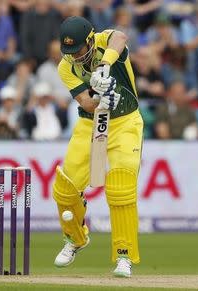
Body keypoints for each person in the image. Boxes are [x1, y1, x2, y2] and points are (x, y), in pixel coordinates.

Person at [53, 16, 143, 277]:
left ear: (90, 40)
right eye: (69, 51)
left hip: (125, 123)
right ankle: (75, 238)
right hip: (89, 125)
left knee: (121, 186)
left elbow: (122, 37)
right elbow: (85, 103)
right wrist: (101, 98)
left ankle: (123, 256)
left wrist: (104, 67)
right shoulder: (65, 67)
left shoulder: (105, 40)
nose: (75, 56)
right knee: (65, 188)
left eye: (79, 49)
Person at [20, 0, 61, 65]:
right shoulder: (28, 16)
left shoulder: (53, 16)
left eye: (45, 3)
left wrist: (52, 55)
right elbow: (25, 38)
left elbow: (56, 37)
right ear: (36, 3)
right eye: (40, 3)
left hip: (50, 57)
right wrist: (28, 57)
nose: (43, 6)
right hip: (32, 57)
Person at [36, 40, 72, 107]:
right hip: (53, 103)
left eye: (59, 52)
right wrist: (57, 100)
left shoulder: (72, 66)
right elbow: (44, 91)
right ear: (49, 53)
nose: (57, 55)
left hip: (73, 101)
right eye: (54, 53)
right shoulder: (43, 70)